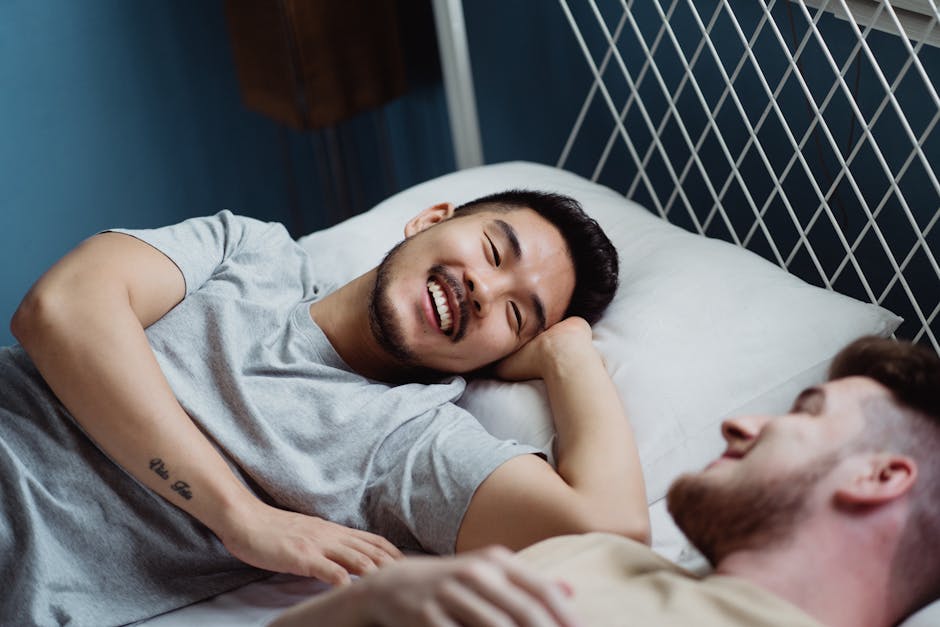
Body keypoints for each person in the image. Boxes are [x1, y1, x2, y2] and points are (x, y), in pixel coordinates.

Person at [3, 190, 649, 625]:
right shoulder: (248, 250)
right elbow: (60, 307)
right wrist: (243, 516)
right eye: (492, 250)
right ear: (430, 219)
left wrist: (567, 353)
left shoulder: (410, 444)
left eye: (515, 314)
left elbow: (609, 529)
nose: (484, 288)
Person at [270, 336, 940, 627]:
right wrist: (359, 607)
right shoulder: (602, 554)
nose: (739, 423)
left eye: (804, 412)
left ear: (880, 475)